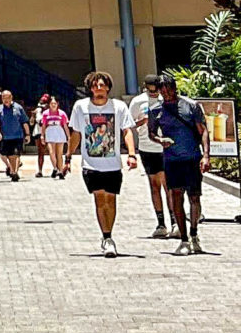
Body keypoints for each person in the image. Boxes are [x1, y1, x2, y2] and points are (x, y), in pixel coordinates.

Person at [70, 71, 136, 256]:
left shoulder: (119, 107)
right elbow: (76, 133)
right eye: (95, 85)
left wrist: (131, 154)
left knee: (111, 199)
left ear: (108, 87)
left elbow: (127, 131)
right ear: (90, 88)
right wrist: (67, 156)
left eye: (102, 85)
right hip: (91, 163)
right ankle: (107, 237)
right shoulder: (80, 107)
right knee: (100, 199)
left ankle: (109, 233)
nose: (99, 88)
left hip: (113, 164)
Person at [148, 73, 209, 254]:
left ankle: (194, 233)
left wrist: (206, 155)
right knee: (176, 196)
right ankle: (183, 239)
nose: (167, 94)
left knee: (194, 197)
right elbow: (151, 133)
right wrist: (160, 140)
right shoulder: (155, 110)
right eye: (163, 91)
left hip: (192, 157)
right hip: (172, 159)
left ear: (175, 88)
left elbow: (203, 131)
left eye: (170, 90)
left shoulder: (191, 106)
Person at [129, 75, 170, 238]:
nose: (154, 94)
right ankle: (161, 223)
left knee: (169, 185)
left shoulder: (165, 99)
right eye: (150, 90)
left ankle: (175, 221)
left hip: (165, 147)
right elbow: (129, 124)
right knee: (154, 186)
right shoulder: (138, 102)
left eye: (156, 90)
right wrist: (144, 121)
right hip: (147, 147)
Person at [0, 91, 29, 180]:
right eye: (4, 98)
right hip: (5, 137)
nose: (6, 100)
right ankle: (12, 170)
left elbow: (24, 122)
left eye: (8, 97)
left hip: (17, 136)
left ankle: (14, 172)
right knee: (6, 155)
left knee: (15, 155)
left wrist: (27, 134)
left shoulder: (18, 108)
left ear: (11, 97)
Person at [41, 92, 71, 179]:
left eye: (55, 103)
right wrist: (42, 136)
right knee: (51, 151)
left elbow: (65, 126)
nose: (53, 105)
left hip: (59, 132)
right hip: (50, 131)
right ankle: (55, 168)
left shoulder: (62, 113)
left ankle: (61, 171)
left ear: (57, 104)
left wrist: (68, 136)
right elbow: (43, 125)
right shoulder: (46, 113)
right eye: (51, 103)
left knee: (59, 153)